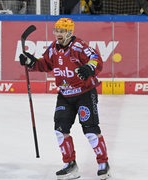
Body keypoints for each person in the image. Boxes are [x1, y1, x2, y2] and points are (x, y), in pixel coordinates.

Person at [19, 18, 110, 180]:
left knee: (90, 130)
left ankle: (103, 164)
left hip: (85, 94)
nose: (59, 34)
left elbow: (96, 59)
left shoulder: (79, 46)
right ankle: (70, 165)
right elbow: (45, 65)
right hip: (65, 95)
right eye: (57, 31)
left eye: (62, 31)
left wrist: (89, 68)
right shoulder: (53, 48)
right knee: (60, 130)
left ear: (69, 32)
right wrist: (31, 62)